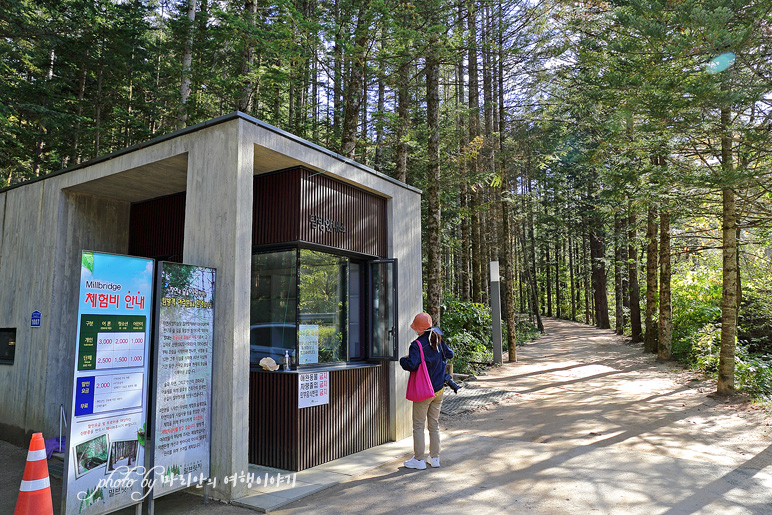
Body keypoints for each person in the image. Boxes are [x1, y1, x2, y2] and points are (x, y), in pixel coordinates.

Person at [399, 312, 454, 470]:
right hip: (439, 390)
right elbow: (450, 354)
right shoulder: (437, 339)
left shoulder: (416, 345)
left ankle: (419, 460)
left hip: (424, 392)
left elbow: (412, 365)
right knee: (434, 424)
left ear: (418, 329)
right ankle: (435, 458)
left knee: (418, 426)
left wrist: (404, 359)